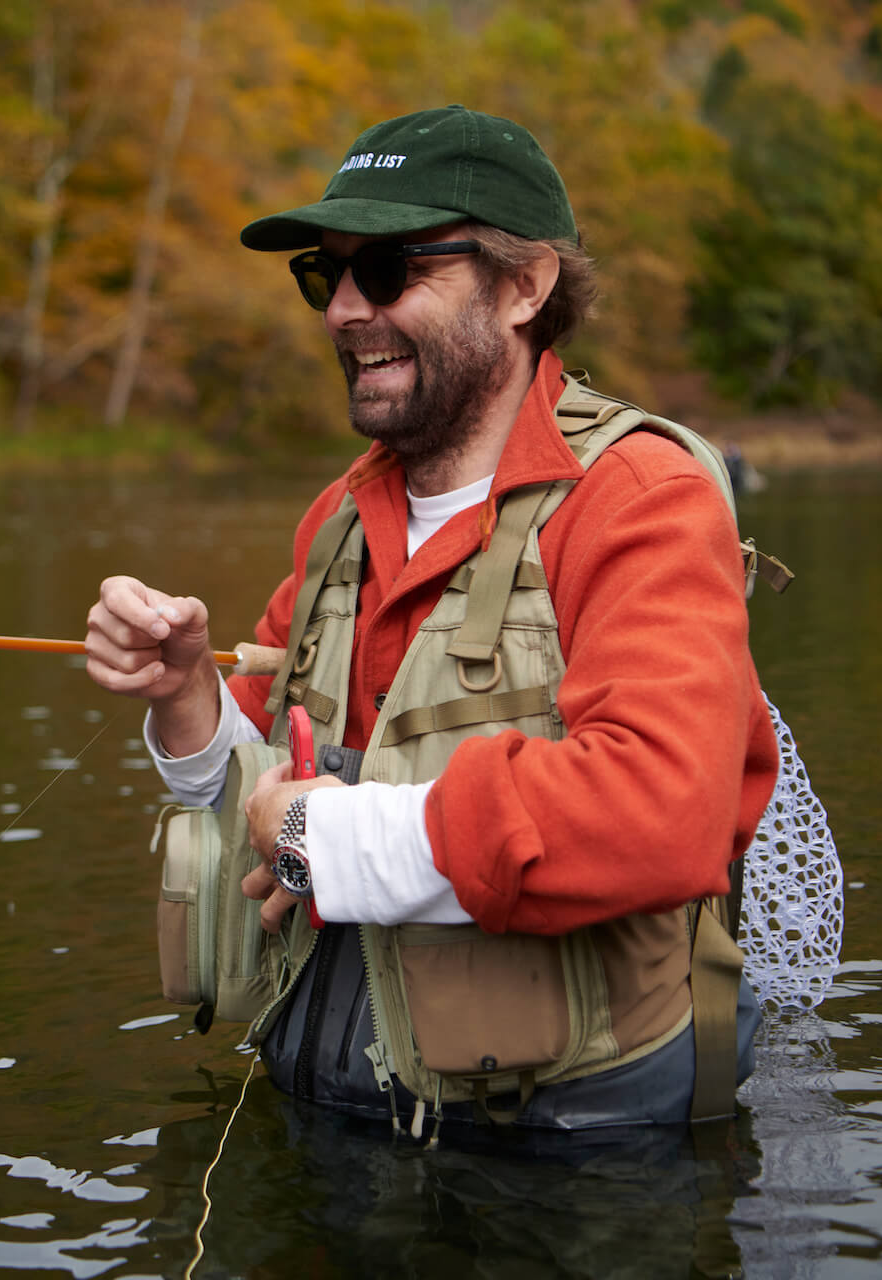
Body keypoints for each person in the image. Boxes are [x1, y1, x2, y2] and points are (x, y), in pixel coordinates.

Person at [86, 105, 777, 1136]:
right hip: (330, 1120)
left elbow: (662, 808)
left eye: (392, 269)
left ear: (525, 286)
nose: (343, 309)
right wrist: (185, 697)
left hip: (580, 1164)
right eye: (327, 276)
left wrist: (333, 833)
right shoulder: (336, 519)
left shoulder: (641, 496)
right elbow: (263, 813)